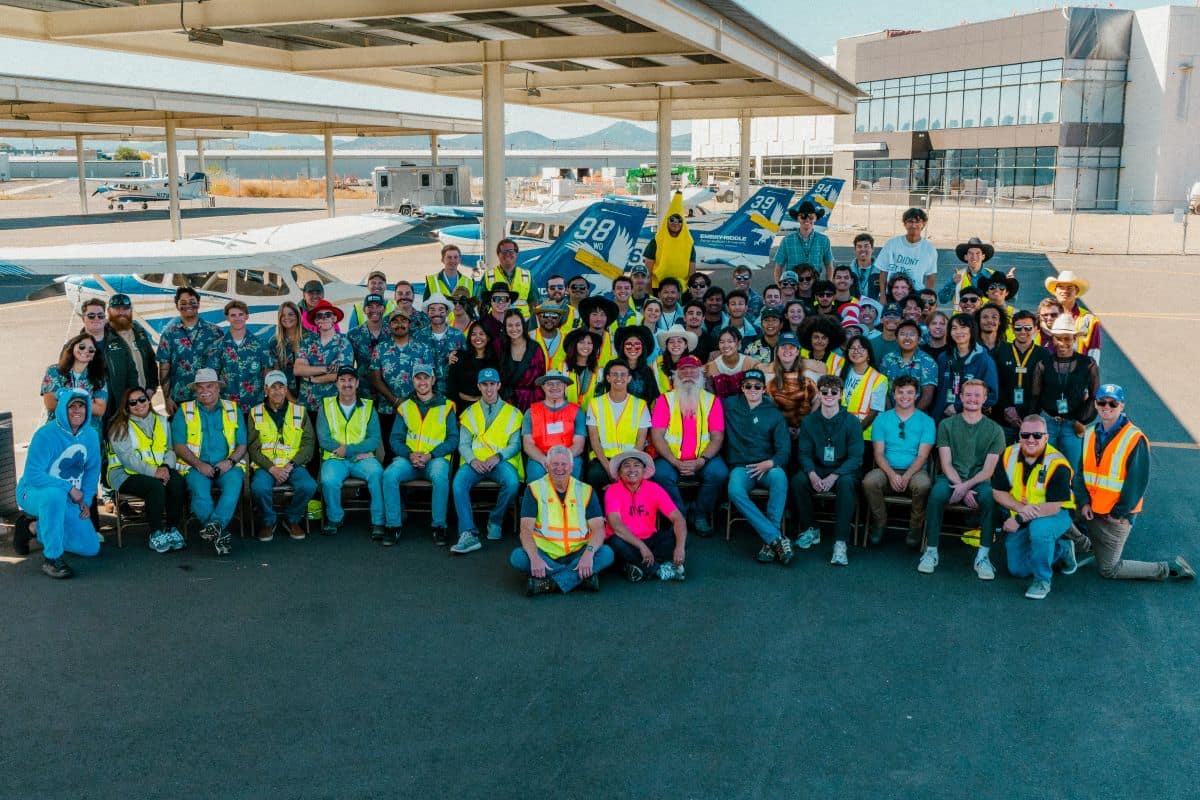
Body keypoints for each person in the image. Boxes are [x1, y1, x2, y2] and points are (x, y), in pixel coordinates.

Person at [1076, 383, 1194, 582]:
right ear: (1095, 404)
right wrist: (1083, 501)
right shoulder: (1089, 433)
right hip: (1092, 509)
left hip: (1115, 516)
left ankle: (1169, 569)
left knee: (1109, 569)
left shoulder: (1134, 438)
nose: (1106, 407)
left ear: (1122, 406)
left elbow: (1137, 483)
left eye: (1113, 403)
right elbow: (1081, 472)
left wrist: (1118, 513)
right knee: (1057, 509)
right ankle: (1087, 544)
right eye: (1102, 402)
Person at [918, 379, 1004, 578]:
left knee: (990, 497)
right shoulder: (947, 425)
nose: (972, 399)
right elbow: (946, 464)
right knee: (936, 494)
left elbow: (988, 471)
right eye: (968, 395)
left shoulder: (995, 430)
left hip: (979, 481)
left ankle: (983, 556)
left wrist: (965, 487)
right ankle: (931, 551)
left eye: (977, 395)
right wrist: (961, 487)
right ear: (961, 397)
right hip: (950, 478)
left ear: (985, 399)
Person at [12, 390, 102, 578]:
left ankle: (32, 528)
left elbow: (92, 470)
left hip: (69, 498)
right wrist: (69, 488)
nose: (77, 410)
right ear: (62, 409)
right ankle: (52, 558)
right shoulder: (45, 434)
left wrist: (86, 500)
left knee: (90, 547)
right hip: (33, 492)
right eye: (71, 406)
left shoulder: (91, 435)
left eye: (81, 406)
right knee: (55, 495)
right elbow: (33, 474)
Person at [991, 415, 1079, 600]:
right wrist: (1019, 509)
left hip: (1055, 513)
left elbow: (1053, 507)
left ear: (1046, 437)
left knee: (1040, 530)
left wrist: (1019, 518)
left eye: (1037, 435)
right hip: (1024, 512)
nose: (1031, 439)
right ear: (1019, 436)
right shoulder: (1008, 455)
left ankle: (1042, 581)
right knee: (1018, 569)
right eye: (1026, 435)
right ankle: (1062, 549)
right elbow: (998, 492)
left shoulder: (1057, 463)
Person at [512, 445, 614, 595]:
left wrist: (588, 555)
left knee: (607, 553)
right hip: (546, 554)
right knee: (518, 557)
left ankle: (549, 583)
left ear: (571, 467)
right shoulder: (533, 489)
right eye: (555, 464)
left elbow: (599, 529)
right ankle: (580, 577)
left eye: (564, 464)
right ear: (547, 467)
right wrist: (534, 557)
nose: (559, 468)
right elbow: (526, 530)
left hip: (578, 552)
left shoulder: (586, 490)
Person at [649, 355, 728, 534]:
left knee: (719, 473)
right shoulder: (665, 400)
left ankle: (700, 514)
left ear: (700, 374)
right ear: (676, 374)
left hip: (703, 458)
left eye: (693, 370)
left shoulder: (712, 400)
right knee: (660, 474)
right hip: (671, 458)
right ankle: (679, 515)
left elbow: (717, 437)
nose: (688, 374)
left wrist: (702, 460)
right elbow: (657, 436)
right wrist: (675, 461)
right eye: (683, 370)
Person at [171, 368, 247, 556]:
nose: (205, 391)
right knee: (200, 492)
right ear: (195, 390)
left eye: (210, 386)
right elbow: (178, 446)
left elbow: (242, 444)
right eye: (200, 387)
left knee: (233, 487)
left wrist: (230, 462)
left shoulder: (233, 409)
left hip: (227, 465)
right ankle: (219, 532)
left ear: (218, 388)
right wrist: (198, 464)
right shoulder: (184, 410)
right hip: (196, 466)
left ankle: (215, 526)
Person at [381, 363, 458, 547]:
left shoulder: (447, 406)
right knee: (389, 474)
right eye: (418, 378)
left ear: (433, 380)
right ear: (412, 380)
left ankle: (439, 526)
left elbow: (453, 439)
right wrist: (409, 454)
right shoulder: (405, 406)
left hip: (435, 459)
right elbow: (395, 439)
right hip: (409, 459)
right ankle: (393, 525)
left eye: (426, 378)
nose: (422, 382)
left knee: (440, 476)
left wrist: (431, 454)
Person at [723, 368, 794, 565]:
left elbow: (784, 450)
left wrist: (769, 463)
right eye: (748, 386)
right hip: (741, 466)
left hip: (766, 466)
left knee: (780, 477)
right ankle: (775, 538)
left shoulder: (774, 413)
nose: (752, 389)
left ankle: (770, 540)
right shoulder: (729, 405)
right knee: (734, 490)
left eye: (757, 386)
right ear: (742, 388)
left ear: (764, 389)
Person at [450, 367, 524, 554]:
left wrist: (498, 457)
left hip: (500, 462)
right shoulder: (469, 413)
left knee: (512, 483)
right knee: (458, 483)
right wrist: (472, 460)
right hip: (475, 462)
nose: (489, 389)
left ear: (499, 385)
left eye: (492, 384)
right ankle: (468, 533)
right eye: (484, 384)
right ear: (478, 386)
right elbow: (463, 444)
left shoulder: (514, 413)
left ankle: (495, 520)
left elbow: (515, 444)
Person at [792, 374, 863, 566]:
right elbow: (804, 453)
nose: (829, 395)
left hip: (843, 470)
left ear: (841, 394)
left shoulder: (852, 421)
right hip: (818, 467)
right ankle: (811, 529)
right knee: (799, 480)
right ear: (819, 394)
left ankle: (840, 542)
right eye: (824, 391)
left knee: (847, 484)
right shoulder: (809, 421)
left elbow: (856, 457)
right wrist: (812, 473)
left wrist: (834, 475)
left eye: (834, 391)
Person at [106, 386, 186, 553]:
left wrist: (165, 467)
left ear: (149, 400)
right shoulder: (119, 426)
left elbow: (170, 450)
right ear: (127, 407)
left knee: (177, 481)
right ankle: (156, 533)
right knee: (155, 487)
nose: (139, 404)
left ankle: (172, 529)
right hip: (124, 474)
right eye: (132, 402)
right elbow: (128, 460)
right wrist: (155, 472)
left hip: (158, 470)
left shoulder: (162, 421)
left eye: (142, 399)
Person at [861, 376, 935, 547]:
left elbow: (922, 456)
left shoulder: (927, 421)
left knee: (923, 484)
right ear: (893, 394)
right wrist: (892, 475)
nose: (904, 396)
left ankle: (916, 527)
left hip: (915, 471)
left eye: (909, 392)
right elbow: (878, 453)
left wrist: (907, 476)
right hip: (887, 469)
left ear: (916, 395)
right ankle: (879, 522)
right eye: (900, 392)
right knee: (869, 481)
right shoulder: (882, 419)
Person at [247, 371, 317, 543]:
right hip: (266, 466)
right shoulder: (255, 412)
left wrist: (291, 465)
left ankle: (292, 519)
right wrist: (271, 468)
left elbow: (309, 444)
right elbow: (252, 447)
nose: (277, 391)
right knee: (259, 488)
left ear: (286, 390)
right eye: (273, 387)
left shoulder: (299, 411)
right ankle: (268, 521)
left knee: (309, 486)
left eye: (281, 387)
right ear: (266, 390)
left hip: (293, 465)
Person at [316, 367, 384, 539]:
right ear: (336, 383)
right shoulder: (326, 406)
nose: (347, 384)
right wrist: (345, 451)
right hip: (334, 457)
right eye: (342, 380)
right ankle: (335, 518)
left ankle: (378, 521)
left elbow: (374, 439)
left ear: (357, 383)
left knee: (377, 474)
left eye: (351, 380)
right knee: (328, 480)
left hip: (362, 458)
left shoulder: (368, 406)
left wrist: (349, 450)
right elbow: (323, 439)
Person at [603, 449, 687, 582]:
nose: (632, 470)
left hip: (649, 539)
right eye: (626, 466)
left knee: (681, 537)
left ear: (643, 469)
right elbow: (616, 525)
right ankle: (658, 570)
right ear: (619, 472)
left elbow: (678, 519)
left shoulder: (654, 488)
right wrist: (641, 546)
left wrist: (680, 548)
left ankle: (633, 566)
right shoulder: (613, 490)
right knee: (615, 543)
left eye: (636, 465)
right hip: (625, 540)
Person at [1030, 313, 1099, 474]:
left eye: (1067, 338)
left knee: (1071, 471)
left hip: (1072, 425)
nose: (1062, 343)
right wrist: (1034, 424)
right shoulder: (1043, 364)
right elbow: (1035, 397)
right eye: (1058, 338)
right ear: (1053, 339)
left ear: (1074, 339)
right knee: (1044, 470)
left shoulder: (1088, 364)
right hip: (1047, 424)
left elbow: (1095, 396)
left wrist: (1082, 420)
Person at [370, 308, 435, 454]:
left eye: (404, 320)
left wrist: (411, 401)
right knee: (390, 450)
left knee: (415, 448)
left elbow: (430, 377)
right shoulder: (380, 348)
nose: (400, 324)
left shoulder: (422, 348)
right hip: (388, 408)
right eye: (395, 321)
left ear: (410, 324)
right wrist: (394, 401)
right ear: (389, 326)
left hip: (417, 407)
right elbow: (375, 378)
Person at [156, 287, 224, 416]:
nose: (188, 305)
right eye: (183, 302)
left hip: (210, 398)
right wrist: (167, 398)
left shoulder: (215, 332)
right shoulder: (169, 334)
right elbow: (164, 368)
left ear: (198, 303)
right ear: (177, 305)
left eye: (192, 301)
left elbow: (223, 365)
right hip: (180, 398)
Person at [585, 359, 651, 491]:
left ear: (629, 378)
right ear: (608, 378)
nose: (619, 378)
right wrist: (609, 467)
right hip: (604, 459)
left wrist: (627, 466)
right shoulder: (595, 403)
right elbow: (594, 439)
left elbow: (640, 440)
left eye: (623, 374)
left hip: (630, 458)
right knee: (594, 475)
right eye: (614, 374)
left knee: (640, 479)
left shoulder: (640, 405)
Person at [94, 293, 158, 425]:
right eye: (117, 309)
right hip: (116, 408)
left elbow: (151, 362)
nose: (121, 312)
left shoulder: (139, 332)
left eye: (125, 308)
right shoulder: (102, 336)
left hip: (141, 403)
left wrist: (151, 388)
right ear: (109, 311)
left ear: (131, 310)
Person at [993, 310, 1051, 442]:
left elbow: (1046, 388)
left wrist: (1031, 415)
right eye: (1018, 328)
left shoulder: (1044, 354)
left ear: (1035, 329)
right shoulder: (1000, 351)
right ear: (1012, 329)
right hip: (1003, 419)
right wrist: (1005, 407)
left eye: (1028, 328)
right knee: (1004, 454)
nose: (1023, 331)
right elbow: (995, 383)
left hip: (1033, 421)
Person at [207, 300, 272, 415]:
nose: (237, 318)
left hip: (255, 405)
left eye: (241, 314)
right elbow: (212, 375)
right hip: (227, 406)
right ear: (227, 318)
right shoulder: (218, 346)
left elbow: (268, 371)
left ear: (247, 316)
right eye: (233, 315)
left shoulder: (260, 344)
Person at [293, 299, 354, 416]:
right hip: (307, 403)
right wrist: (326, 369)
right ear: (316, 321)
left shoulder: (344, 342)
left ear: (334, 318)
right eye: (319, 316)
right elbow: (298, 369)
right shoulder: (307, 342)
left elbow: (341, 374)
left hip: (332, 404)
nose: (324, 318)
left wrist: (313, 379)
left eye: (328, 315)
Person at [522, 370, 585, 482]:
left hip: (569, 456)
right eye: (549, 384)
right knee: (535, 478)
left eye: (558, 383)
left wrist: (561, 461)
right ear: (543, 387)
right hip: (540, 458)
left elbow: (579, 445)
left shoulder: (577, 411)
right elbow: (528, 444)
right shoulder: (531, 412)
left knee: (573, 481)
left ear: (565, 386)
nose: (554, 387)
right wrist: (545, 460)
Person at [935, 312, 999, 418]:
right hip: (942, 417)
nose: (958, 332)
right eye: (954, 328)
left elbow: (991, 395)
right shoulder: (943, 357)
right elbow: (938, 391)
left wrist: (958, 407)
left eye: (963, 327)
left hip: (970, 419)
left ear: (972, 330)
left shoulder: (985, 360)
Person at [42, 333, 107, 429]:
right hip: (58, 430)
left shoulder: (99, 377)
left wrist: (64, 400)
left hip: (87, 432)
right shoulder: (54, 371)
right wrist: (87, 403)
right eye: (82, 346)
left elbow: (100, 409)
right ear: (72, 347)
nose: (86, 351)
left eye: (91, 350)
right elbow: (51, 404)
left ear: (94, 355)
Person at [876, 207, 938, 297]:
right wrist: (883, 296)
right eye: (910, 221)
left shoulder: (929, 249)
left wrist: (927, 298)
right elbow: (883, 272)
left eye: (918, 222)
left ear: (923, 224)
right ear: (905, 224)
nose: (914, 225)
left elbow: (930, 277)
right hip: (892, 293)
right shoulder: (892, 244)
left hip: (916, 294)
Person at [879, 319, 938, 412]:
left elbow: (927, 396)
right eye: (902, 334)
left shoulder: (928, 361)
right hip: (890, 414)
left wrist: (910, 416)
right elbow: (882, 390)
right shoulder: (887, 359)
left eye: (912, 334)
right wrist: (891, 414)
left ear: (919, 339)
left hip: (917, 416)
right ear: (896, 338)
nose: (907, 338)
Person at [839, 335, 888, 441]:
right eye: (852, 348)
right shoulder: (842, 372)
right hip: (842, 430)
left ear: (869, 353)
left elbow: (874, 411)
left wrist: (855, 433)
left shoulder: (879, 379)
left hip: (865, 435)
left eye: (861, 348)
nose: (856, 351)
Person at [1045, 270, 1101, 364]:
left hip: (1078, 371)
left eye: (1069, 287)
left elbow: (1094, 351)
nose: (1065, 291)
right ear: (1055, 291)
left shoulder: (1090, 320)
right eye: (1060, 287)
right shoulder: (1045, 316)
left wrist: (1091, 371)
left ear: (1076, 291)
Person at [766, 332, 818, 433]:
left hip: (806, 430)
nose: (787, 350)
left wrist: (806, 426)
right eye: (783, 347)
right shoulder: (768, 375)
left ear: (797, 351)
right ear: (777, 351)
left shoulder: (809, 374)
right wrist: (782, 428)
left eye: (791, 347)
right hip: (778, 430)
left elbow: (818, 401)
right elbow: (768, 408)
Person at [497, 308, 546, 411]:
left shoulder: (535, 349)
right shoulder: (500, 347)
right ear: (505, 327)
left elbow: (541, 380)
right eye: (510, 325)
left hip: (531, 403)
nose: (514, 329)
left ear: (523, 326)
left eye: (517, 325)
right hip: (505, 403)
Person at [771, 200, 833, 282]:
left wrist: (828, 285)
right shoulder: (786, 240)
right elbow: (778, 267)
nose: (807, 219)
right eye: (803, 216)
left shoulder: (824, 240)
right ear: (798, 218)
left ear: (815, 218)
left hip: (816, 285)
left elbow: (829, 266)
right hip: (793, 285)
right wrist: (779, 285)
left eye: (811, 217)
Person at [417, 293, 465, 397]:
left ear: (447, 312)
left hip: (453, 392)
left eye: (441, 309)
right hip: (426, 394)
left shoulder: (458, 335)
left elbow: (466, 362)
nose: (437, 313)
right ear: (427, 313)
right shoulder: (419, 336)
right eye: (432, 310)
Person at [446, 320, 497, 410]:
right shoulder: (458, 356)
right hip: (460, 406)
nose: (477, 337)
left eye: (481, 334)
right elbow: (451, 386)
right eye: (474, 334)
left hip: (484, 407)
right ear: (469, 337)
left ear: (488, 337)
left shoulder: (494, 360)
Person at [347, 293, 390, 398]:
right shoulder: (353, 334)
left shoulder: (392, 332)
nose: (374, 310)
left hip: (388, 392)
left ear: (384, 309)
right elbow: (349, 366)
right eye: (370, 306)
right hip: (363, 390)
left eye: (378, 306)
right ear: (364, 310)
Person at [644, 204, 697, 289]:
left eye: (680, 220)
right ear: (666, 221)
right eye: (672, 219)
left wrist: (691, 291)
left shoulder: (689, 243)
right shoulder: (656, 242)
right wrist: (649, 291)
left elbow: (692, 272)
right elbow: (647, 271)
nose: (676, 223)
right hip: (658, 288)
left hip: (681, 289)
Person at [939, 237, 999, 310]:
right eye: (970, 253)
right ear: (966, 257)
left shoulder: (993, 276)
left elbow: (1007, 299)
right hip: (962, 317)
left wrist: (1008, 283)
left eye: (977, 253)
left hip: (985, 316)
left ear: (983, 256)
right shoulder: (957, 276)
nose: (974, 256)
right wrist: (952, 284)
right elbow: (942, 299)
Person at [479, 238, 534, 315]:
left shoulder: (526, 275)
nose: (508, 254)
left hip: (523, 321)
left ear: (516, 254)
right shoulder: (488, 276)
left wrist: (531, 321)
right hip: (496, 320)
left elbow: (534, 302)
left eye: (511, 251)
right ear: (498, 254)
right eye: (504, 251)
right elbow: (480, 303)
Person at [705, 327, 759, 399]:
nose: (726, 345)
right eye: (722, 342)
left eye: (730, 341)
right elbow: (709, 393)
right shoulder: (711, 367)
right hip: (720, 404)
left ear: (739, 343)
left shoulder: (751, 363)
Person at [611, 325, 660, 404]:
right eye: (628, 345)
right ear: (623, 347)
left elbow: (654, 399)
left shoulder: (648, 372)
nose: (633, 348)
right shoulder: (613, 369)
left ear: (643, 348)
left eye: (637, 345)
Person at [268, 301, 304, 402]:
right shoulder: (274, 342)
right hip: (286, 396)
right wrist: (291, 399)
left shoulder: (311, 338)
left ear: (298, 316)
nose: (287, 318)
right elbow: (277, 375)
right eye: (283, 315)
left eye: (291, 314)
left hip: (311, 395)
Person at [563, 328, 602, 409]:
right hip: (565, 414)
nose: (586, 346)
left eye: (589, 343)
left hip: (590, 414)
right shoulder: (562, 368)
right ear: (574, 345)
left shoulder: (599, 372)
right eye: (581, 342)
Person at [798, 314, 846, 381]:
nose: (820, 341)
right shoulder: (800, 354)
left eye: (824, 338)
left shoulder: (839, 361)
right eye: (816, 337)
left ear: (829, 340)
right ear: (809, 338)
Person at [530, 300, 568, 374]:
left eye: (554, 316)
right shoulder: (528, 337)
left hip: (558, 381)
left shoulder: (567, 340)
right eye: (545, 315)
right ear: (538, 317)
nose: (549, 319)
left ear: (559, 318)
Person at [849, 233, 880, 300]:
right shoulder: (848, 272)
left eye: (866, 246)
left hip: (874, 305)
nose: (862, 249)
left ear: (872, 249)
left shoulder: (881, 272)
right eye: (859, 246)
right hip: (853, 305)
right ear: (855, 249)